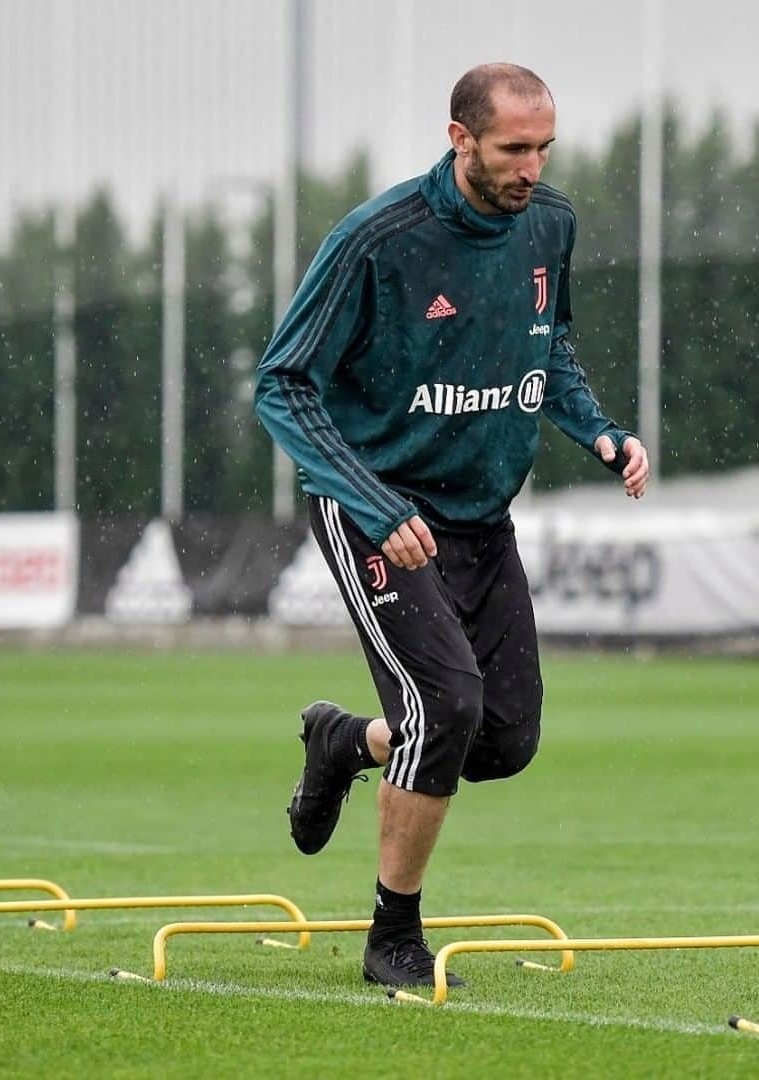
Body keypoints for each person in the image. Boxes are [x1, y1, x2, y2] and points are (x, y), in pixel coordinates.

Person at [254, 62, 649, 990]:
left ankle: (347, 742)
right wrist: (374, 503)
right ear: (459, 137)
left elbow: (547, 351)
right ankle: (393, 937)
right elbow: (282, 383)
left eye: (545, 146)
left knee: (504, 739)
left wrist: (599, 429)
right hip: (376, 508)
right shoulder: (377, 240)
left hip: (482, 513)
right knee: (451, 703)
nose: (533, 166)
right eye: (515, 148)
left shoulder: (551, 223)